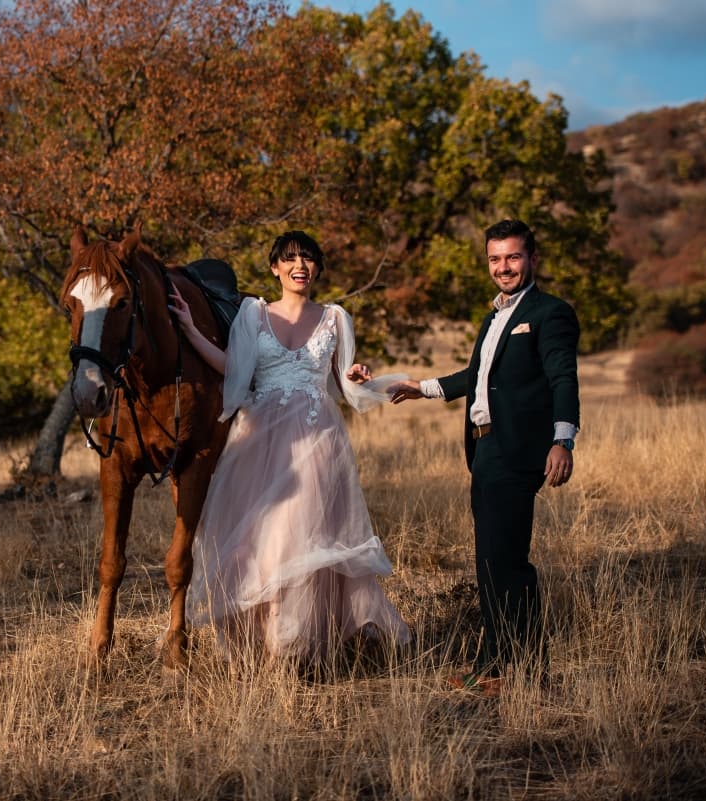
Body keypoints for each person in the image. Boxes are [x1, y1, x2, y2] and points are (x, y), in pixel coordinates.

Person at [168, 231, 411, 663]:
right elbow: (235, 371)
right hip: (258, 442)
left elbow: (343, 384)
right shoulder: (253, 313)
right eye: (290, 259)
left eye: (308, 259)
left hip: (316, 441)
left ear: (317, 268)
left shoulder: (335, 318)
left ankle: (294, 644)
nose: (300, 266)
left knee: (299, 539)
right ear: (276, 268)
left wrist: (356, 375)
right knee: (260, 539)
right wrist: (189, 328)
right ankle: (262, 643)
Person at [388, 218, 580, 696]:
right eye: (495, 259)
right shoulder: (492, 317)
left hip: (518, 450)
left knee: (508, 563)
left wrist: (563, 440)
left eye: (513, 257)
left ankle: (524, 671)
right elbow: (476, 375)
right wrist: (423, 389)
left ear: (532, 259)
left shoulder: (549, 313)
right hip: (485, 447)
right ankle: (499, 665)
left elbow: (563, 379)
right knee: (491, 563)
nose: (503, 267)